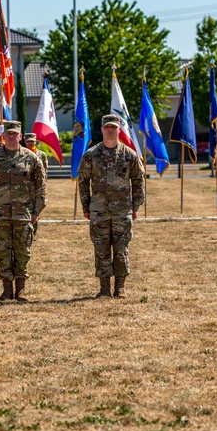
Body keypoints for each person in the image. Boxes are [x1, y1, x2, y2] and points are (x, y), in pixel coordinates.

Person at [0, 121, 47, 301]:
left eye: (14, 134)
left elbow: (41, 187)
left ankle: (21, 289)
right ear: (3, 135)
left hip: (23, 214)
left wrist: (36, 211)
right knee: (2, 251)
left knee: (22, 252)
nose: (10, 137)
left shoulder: (32, 159)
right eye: (7, 134)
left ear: (20, 136)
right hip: (0, 214)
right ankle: (7, 289)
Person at [78, 115, 145, 298]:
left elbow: (139, 181)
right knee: (101, 249)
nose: (110, 130)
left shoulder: (129, 155)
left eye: (113, 127)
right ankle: (105, 288)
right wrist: (86, 206)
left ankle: (120, 287)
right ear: (102, 129)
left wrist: (136, 206)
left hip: (122, 210)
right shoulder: (91, 155)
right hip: (99, 211)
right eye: (107, 127)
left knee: (121, 249)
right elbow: (83, 182)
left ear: (118, 130)